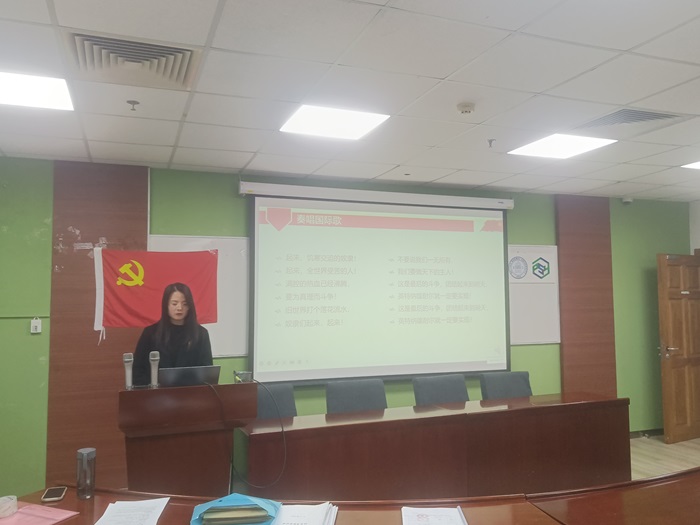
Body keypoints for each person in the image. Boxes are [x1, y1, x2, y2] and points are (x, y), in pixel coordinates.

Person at [133, 282, 213, 386]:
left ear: (190, 306)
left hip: (191, 392)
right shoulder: (151, 333)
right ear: (166, 305)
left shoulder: (201, 334)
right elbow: (138, 370)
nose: (179, 308)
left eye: (185, 304)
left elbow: (207, 371)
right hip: (157, 393)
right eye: (174, 304)